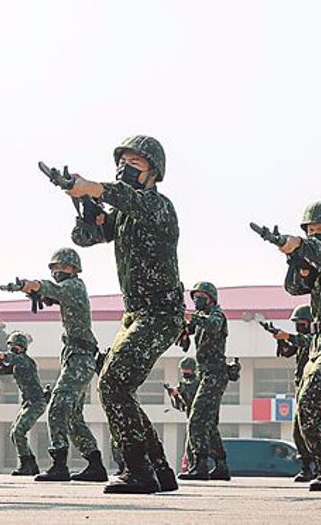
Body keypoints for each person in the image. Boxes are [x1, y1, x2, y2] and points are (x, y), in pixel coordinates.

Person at [64, 135, 185, 494]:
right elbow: (87, 238)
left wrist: (94, 188)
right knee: (120, 386)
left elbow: (124, 198)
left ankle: (137, 470)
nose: (125, 169)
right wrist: (85, 205)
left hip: (160, 314)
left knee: (113, 384)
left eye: (135, 164)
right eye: (123, 162)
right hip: (136, 316)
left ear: (154, 173)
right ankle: (159, 469)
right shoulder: (125, 214)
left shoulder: (158, 206)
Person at [263, 201, 321, 492]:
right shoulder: (316, 261)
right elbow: (294, 289)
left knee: (307, 404)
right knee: (306, 407)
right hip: (318, 345)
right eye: (311, 229)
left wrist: (297, 245)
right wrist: (295, 260)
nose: (316, 233)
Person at [14, 248, 105, 483]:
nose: (58, 271)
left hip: (80, 356)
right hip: (78, 356)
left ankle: (59, 464)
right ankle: (95, 464)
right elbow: (55, 295)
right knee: (73, 415)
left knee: (56, 407)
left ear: (74, 269)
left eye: (63, 267)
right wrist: (38, 293)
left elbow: (54, 290)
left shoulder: (74, 285)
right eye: (54, 267)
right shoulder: (71, 289)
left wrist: (34, 286)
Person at [178, 282, 231, 481]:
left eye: (201, 296)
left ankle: (199, 465)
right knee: (208, 422)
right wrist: (183, 328)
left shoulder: (217, 314)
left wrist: (193, 317)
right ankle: (221, 465)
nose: (197, 300)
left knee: (196, 419)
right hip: (206, 374)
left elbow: (213, 324)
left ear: (210, 298)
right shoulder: (202, 317)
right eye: (195, 296)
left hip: (215, 374)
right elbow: (188, 328)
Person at [0, 332, 48, 476]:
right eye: (10, 346)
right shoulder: (16, 363)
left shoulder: (25, 361)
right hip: (28, 403)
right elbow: (0, 371)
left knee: (18, 432)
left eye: (15, 346)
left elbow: (13, 358)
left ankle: (25, 465)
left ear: (22, 347)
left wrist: (0, 355)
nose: (12, 348)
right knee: (15, 433)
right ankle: (30, 464)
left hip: (36, 402)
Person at [267, 304, 316, 482]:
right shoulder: (299, 339)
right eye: (296, 323)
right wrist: (279, 338)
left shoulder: (315, 338)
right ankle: (309, 466)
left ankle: (316, 465)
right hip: (300, 386)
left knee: (304, 429)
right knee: (301, 431)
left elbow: (305, 341)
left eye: (301, 322)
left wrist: (286, 336)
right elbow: (287, 352)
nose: (298, 326)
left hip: (312, 387)